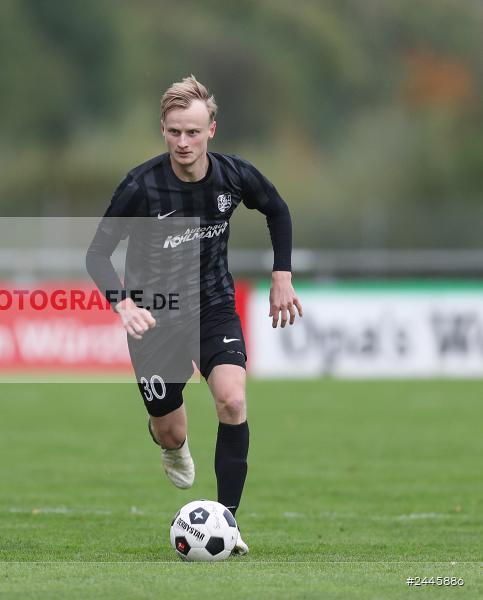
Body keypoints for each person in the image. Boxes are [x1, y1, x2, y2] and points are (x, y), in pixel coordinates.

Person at [87, 75, 302, 554]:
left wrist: (281, 274)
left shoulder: (233, 175)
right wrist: (123, 303)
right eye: (174, 132)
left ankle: (228, 523)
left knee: (232, 402)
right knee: (172, 429)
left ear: (212, 130)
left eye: (193, 131)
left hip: (213, 307)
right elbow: (97, 255)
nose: (183, 142)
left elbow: (278, 210)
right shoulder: (141, 187)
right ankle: (168, 443)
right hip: (155, 317)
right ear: (163, 131)